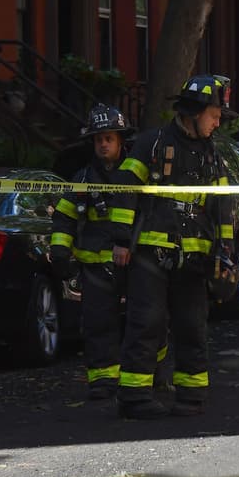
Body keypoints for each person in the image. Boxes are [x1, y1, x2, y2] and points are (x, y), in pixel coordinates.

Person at [117, 74, 235, 419]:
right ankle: (135, 397)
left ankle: (192, 396)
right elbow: (125, 190)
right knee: (146, 322)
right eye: (214, 115)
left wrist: (225, 251)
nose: (217, 122)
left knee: (191, 324)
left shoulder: (213, 156)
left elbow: (223, 206)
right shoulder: (152, 145)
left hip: (196, 257)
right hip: (150, 253)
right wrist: (121, 241)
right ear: (194, 112)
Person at [50, 104, 139, 400]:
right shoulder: (82, 178)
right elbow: (64, 216)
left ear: (120, 141)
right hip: (95, 264)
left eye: (109, 138)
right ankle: (103, 380)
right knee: (98, 323)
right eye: (99, 139)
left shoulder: (136, 174)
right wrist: (60, 251)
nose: (103, 144)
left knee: (145, 320)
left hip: (136, 262)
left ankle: (148, 377)